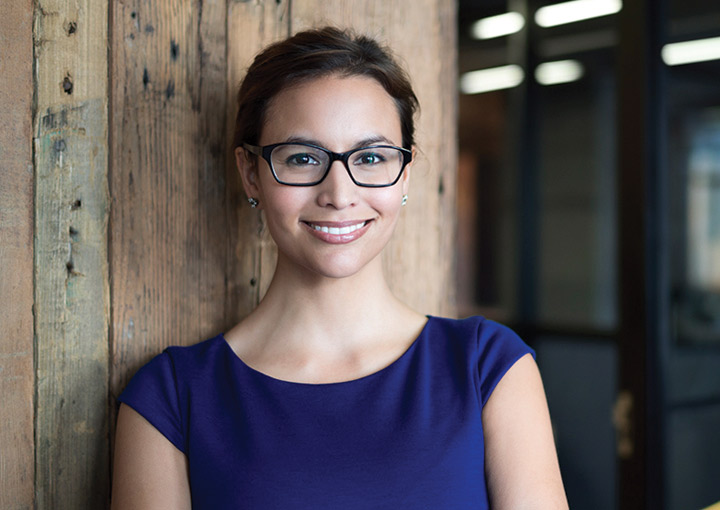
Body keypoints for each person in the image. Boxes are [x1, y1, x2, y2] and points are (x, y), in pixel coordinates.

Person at [111, 27, 568, 509]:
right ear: (251, 173)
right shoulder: (170, 396)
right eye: (303, 157)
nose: (339, 194)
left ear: (405, 174)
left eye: (370, 157)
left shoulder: (488, 368)